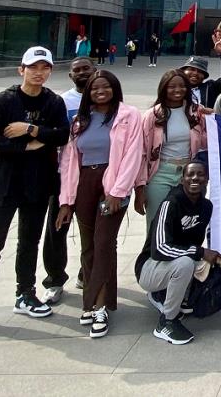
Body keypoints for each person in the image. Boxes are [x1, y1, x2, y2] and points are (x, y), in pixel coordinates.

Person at [0, 47, 69, 342]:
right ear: (21, 70)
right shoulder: (4, 100)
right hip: (3, 183)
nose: (39, 73)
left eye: (45, 68)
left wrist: (30, 129)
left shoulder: (53, 102)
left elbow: (62, 134)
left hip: (37, 183)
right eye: (33, 67)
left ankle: (25, 294)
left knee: (29, 242)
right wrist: (25, 146)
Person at [55, 70, 143, 338]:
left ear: (115, 89)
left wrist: (118, 192)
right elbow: (69, 161)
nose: (100, 91)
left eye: (105, 87)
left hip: (112, 185)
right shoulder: (79, 121)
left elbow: (132, 155)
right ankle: (94, 302)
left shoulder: (128, 115)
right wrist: (66, 201)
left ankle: (98, 306)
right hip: (84, 184)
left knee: (104, 243)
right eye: (95, 88)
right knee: (89, 246)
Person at [136, 160, 221, 345]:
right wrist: (200, 252)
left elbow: (194, 245)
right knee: (185, 264)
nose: (195, 178)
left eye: (200, 174)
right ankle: (166, 321)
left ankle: (178, 298)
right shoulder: (171, 203)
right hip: (151, 266)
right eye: (190, 175)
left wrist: (209, 259)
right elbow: (159, 249)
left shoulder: (206, 207)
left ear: (207, 179)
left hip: (180, 262)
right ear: (182, 180)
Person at [40, 57, 95, 305]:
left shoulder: (104, 98)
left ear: (95, 70)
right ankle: (54, 280)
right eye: (77, 70)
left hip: (94, 173)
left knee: (92, 228)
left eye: (86, 69)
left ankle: (86, 272)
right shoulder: (61, 102)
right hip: (63, 174)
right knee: (57, 228)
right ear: (70, 76)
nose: (82, 73)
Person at [137, 70, 207, 226]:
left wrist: (214, 118)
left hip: (189, 174)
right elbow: (142, 153)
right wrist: (139, 188)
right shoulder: (152, 115)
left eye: (182, 86)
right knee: (157, 224)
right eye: (172, 86)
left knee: (186, 225)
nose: (178, 90)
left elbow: (206, 142)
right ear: (164, 88)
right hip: (160, 174)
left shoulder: (196, 111)